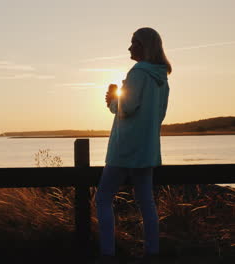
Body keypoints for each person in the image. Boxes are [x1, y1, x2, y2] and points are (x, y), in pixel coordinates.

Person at [95, 27, 171, 264]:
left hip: (125, 147)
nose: (129, 48)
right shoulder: (162, 78)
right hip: (147, 148)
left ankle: (107, 254)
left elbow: (126, 109)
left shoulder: (138, 73)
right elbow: (159, 116)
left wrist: (112, 100)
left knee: (103, 198)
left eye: (133, 43)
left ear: (144, 46)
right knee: (146, 201)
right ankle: (152, 252)